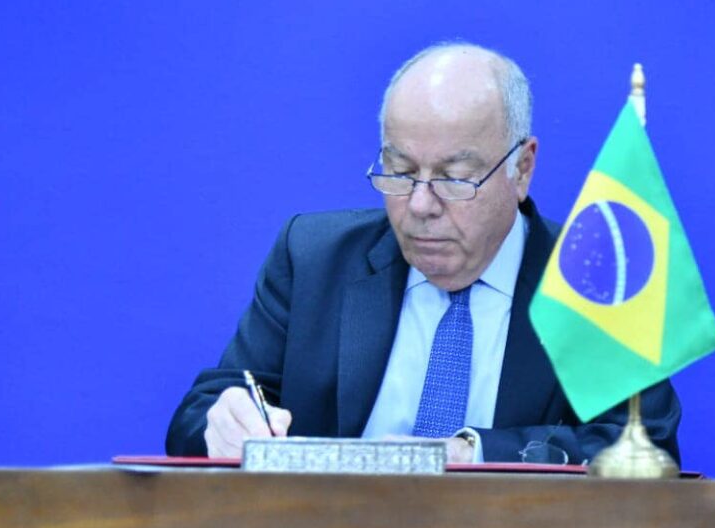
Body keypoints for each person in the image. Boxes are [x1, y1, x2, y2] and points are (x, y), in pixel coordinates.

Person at [167, 43, 680, 464]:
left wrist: (471, 455)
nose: (419, 205)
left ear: (521, 169)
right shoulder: (313, 259)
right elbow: (202, 413)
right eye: (400, 171)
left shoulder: (594, 279)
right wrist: (223, 420)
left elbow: (644, 443)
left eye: (455, 178)